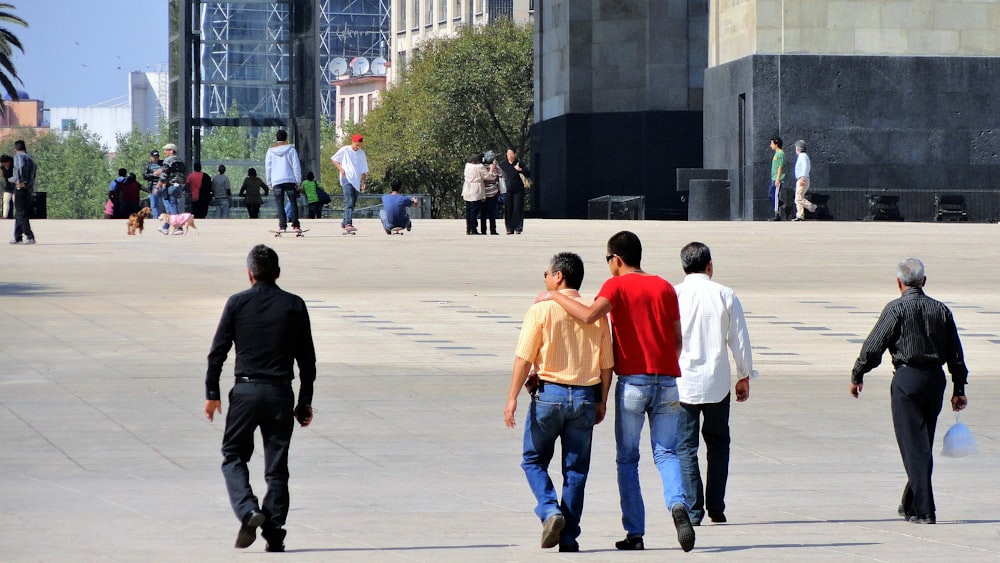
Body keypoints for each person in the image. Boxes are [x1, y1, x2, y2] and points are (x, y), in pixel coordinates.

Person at [544, 231, 695, 553]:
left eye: (608, 260)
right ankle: (678, 504)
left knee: (628, 459)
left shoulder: (616, 285)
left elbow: (587, 315)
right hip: (667, 380)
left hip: (633, 384)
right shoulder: (665, 287)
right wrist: (665, 363)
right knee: (667, 453)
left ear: (617, 259)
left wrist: (554, 296)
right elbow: (677, 338)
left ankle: (635, 533)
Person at [204, 244, 316, 552]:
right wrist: (304, 400)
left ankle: (249, 510)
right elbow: (307, 358)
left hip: (245, 391)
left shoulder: (237, 303)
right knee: (277, 468)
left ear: (250, 274)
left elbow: (218, 351)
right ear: (278, 274)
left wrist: (212, 393)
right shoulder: (294, 305)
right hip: (280, 392)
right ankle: (275, 531)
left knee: (233, 456)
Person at [504, 252, 614, 552]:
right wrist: (602, 400)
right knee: (576, 470)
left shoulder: (541, 309)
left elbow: (524, 357)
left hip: (549, 396)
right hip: (584, 397)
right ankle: (569, 538)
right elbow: (607, 364)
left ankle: (550, 510)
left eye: (547, 274)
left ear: (559, 277)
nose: (545, 279)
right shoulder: (597, 311)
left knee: (533, 460)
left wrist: (512, 397)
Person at [850, 258, 969, 525]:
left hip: (907, 379)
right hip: (935, 380)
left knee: (913, 446)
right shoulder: (941, 310)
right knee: (922, 442)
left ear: (898, 282)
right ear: (924, 281)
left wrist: (858, 373)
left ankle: (925, 509)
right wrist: (958, 386)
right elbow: (955, 353)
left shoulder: (896, 309)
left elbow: (874, 346)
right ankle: (910, 502)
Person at [675, 242, 755, 526]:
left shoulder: (674, 294)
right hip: (717, 383)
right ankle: (717, 507)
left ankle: (694, 510)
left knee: (686, 447)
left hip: (682, 384)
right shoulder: (724, 294)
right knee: (719, 443)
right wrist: (744, 375)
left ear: (684, 266)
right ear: (709, 265)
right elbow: (739, 339)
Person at [265, 130, 303, 233]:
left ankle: (282, 226)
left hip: (276, 181)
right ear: (286, 138)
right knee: (293, 202)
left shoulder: (270, 151)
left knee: (280, 204)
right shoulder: (291, 150)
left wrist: (269, 182)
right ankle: (296, 225)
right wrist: (298, 181)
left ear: (276, 138)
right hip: (290, 180)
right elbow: (296, 166)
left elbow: (268, 167)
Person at [331, 133, 368, 233]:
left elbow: (363, 169)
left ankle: (344, 222)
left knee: (353, 202)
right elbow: (334, 159)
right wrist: (341, 169)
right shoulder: (345, 150)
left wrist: (363, 181)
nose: (358, 147)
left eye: (359, 145)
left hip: (356, 180)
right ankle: (348, 223)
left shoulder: (361, 153)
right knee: (349, 201)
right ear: (353, 142)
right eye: (356, 145)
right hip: (346, 178)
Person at [496, 148, 529, 234]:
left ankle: (518, 227)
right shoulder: (503, 164)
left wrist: (520, 170)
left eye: (511, 153)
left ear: (515, 154)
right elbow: (499, 176)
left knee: (518, 208)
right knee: (508, 208)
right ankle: (509, 228)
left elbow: (529, 173)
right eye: (508, 154)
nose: (509, 155)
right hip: (507, 190)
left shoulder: (519, 163)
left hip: (518, 189)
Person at [10, 139, 36, 245]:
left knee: (22, 213)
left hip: (21, 188)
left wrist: (20, 181)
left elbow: (20, 167)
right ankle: (18, 236)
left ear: (16, 149)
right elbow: (34, 172)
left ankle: (29, 236)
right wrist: (29, 184)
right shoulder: (30, 158)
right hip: (28, 188)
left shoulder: (18, 156)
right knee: (19, 213)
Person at [462, 153, 494, 235]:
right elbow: (487, 177)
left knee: (468, 209)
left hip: (467, 187)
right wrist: (491, 170)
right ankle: (473, 228)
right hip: (476, 188)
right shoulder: (479, 167)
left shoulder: (467, 165)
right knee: (474, 210)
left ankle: (468, 228)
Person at [159, 143, 186, 218]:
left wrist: (159, 185)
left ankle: (177, 226)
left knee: (172, 205)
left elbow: (164, 174)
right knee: (175, 204)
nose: (164, 152)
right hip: (180, 185)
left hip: (171, 185)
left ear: (171, 151)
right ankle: (166, 226)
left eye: (166, 150)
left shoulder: (167, 160)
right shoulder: (180, 161)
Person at [792, 140, 817, 221]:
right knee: (798, 198)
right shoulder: (802, 156)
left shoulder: (803, 156)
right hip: (802, 178)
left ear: (799, 148)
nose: (795, 149)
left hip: (802, 179)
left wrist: (803, 177)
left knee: (799, 198)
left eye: (796, 147)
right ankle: (800, 215)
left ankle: (811, 206)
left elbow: (805, 167)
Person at [767, 136, 786, 221]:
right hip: (773, 178)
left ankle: (777, 214)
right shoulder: (776, 153)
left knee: (775, 195)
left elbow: (780, 167)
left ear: (776, 144)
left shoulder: (780, 153)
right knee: (771, 195)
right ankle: (785, 207)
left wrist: (778, 178)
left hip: (777, 178)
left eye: (771, 143)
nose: (770, 145)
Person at [482, 151, 501, 235]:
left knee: (483, 212)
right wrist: (493, 170)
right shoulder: (494, 166)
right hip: (492, 191)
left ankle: (483, 230)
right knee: (491, 212)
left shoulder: (481, 166)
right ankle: (492, 230)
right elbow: (501, 174)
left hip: (484, 192)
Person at [143, 150, 164, 214]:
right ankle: (156, 218)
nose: (155, 158)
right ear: (151, 157)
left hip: (162, 185)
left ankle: (163, 217)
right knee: (154, 204)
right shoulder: (148, 165)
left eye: (157, 156)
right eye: (154, 157)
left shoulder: (163, 164)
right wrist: (153, 174)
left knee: (163, 204)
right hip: (153, 186)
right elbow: (144, 176)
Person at [2, 154, 15, 219]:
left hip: (15, 185)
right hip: (8, 186)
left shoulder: (14, 166)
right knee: (6, 200)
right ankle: (5, 215)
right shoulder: (3, 167)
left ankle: (17, 215)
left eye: (5, 163)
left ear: (8, 162)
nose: (4, 165)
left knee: (15, 201)